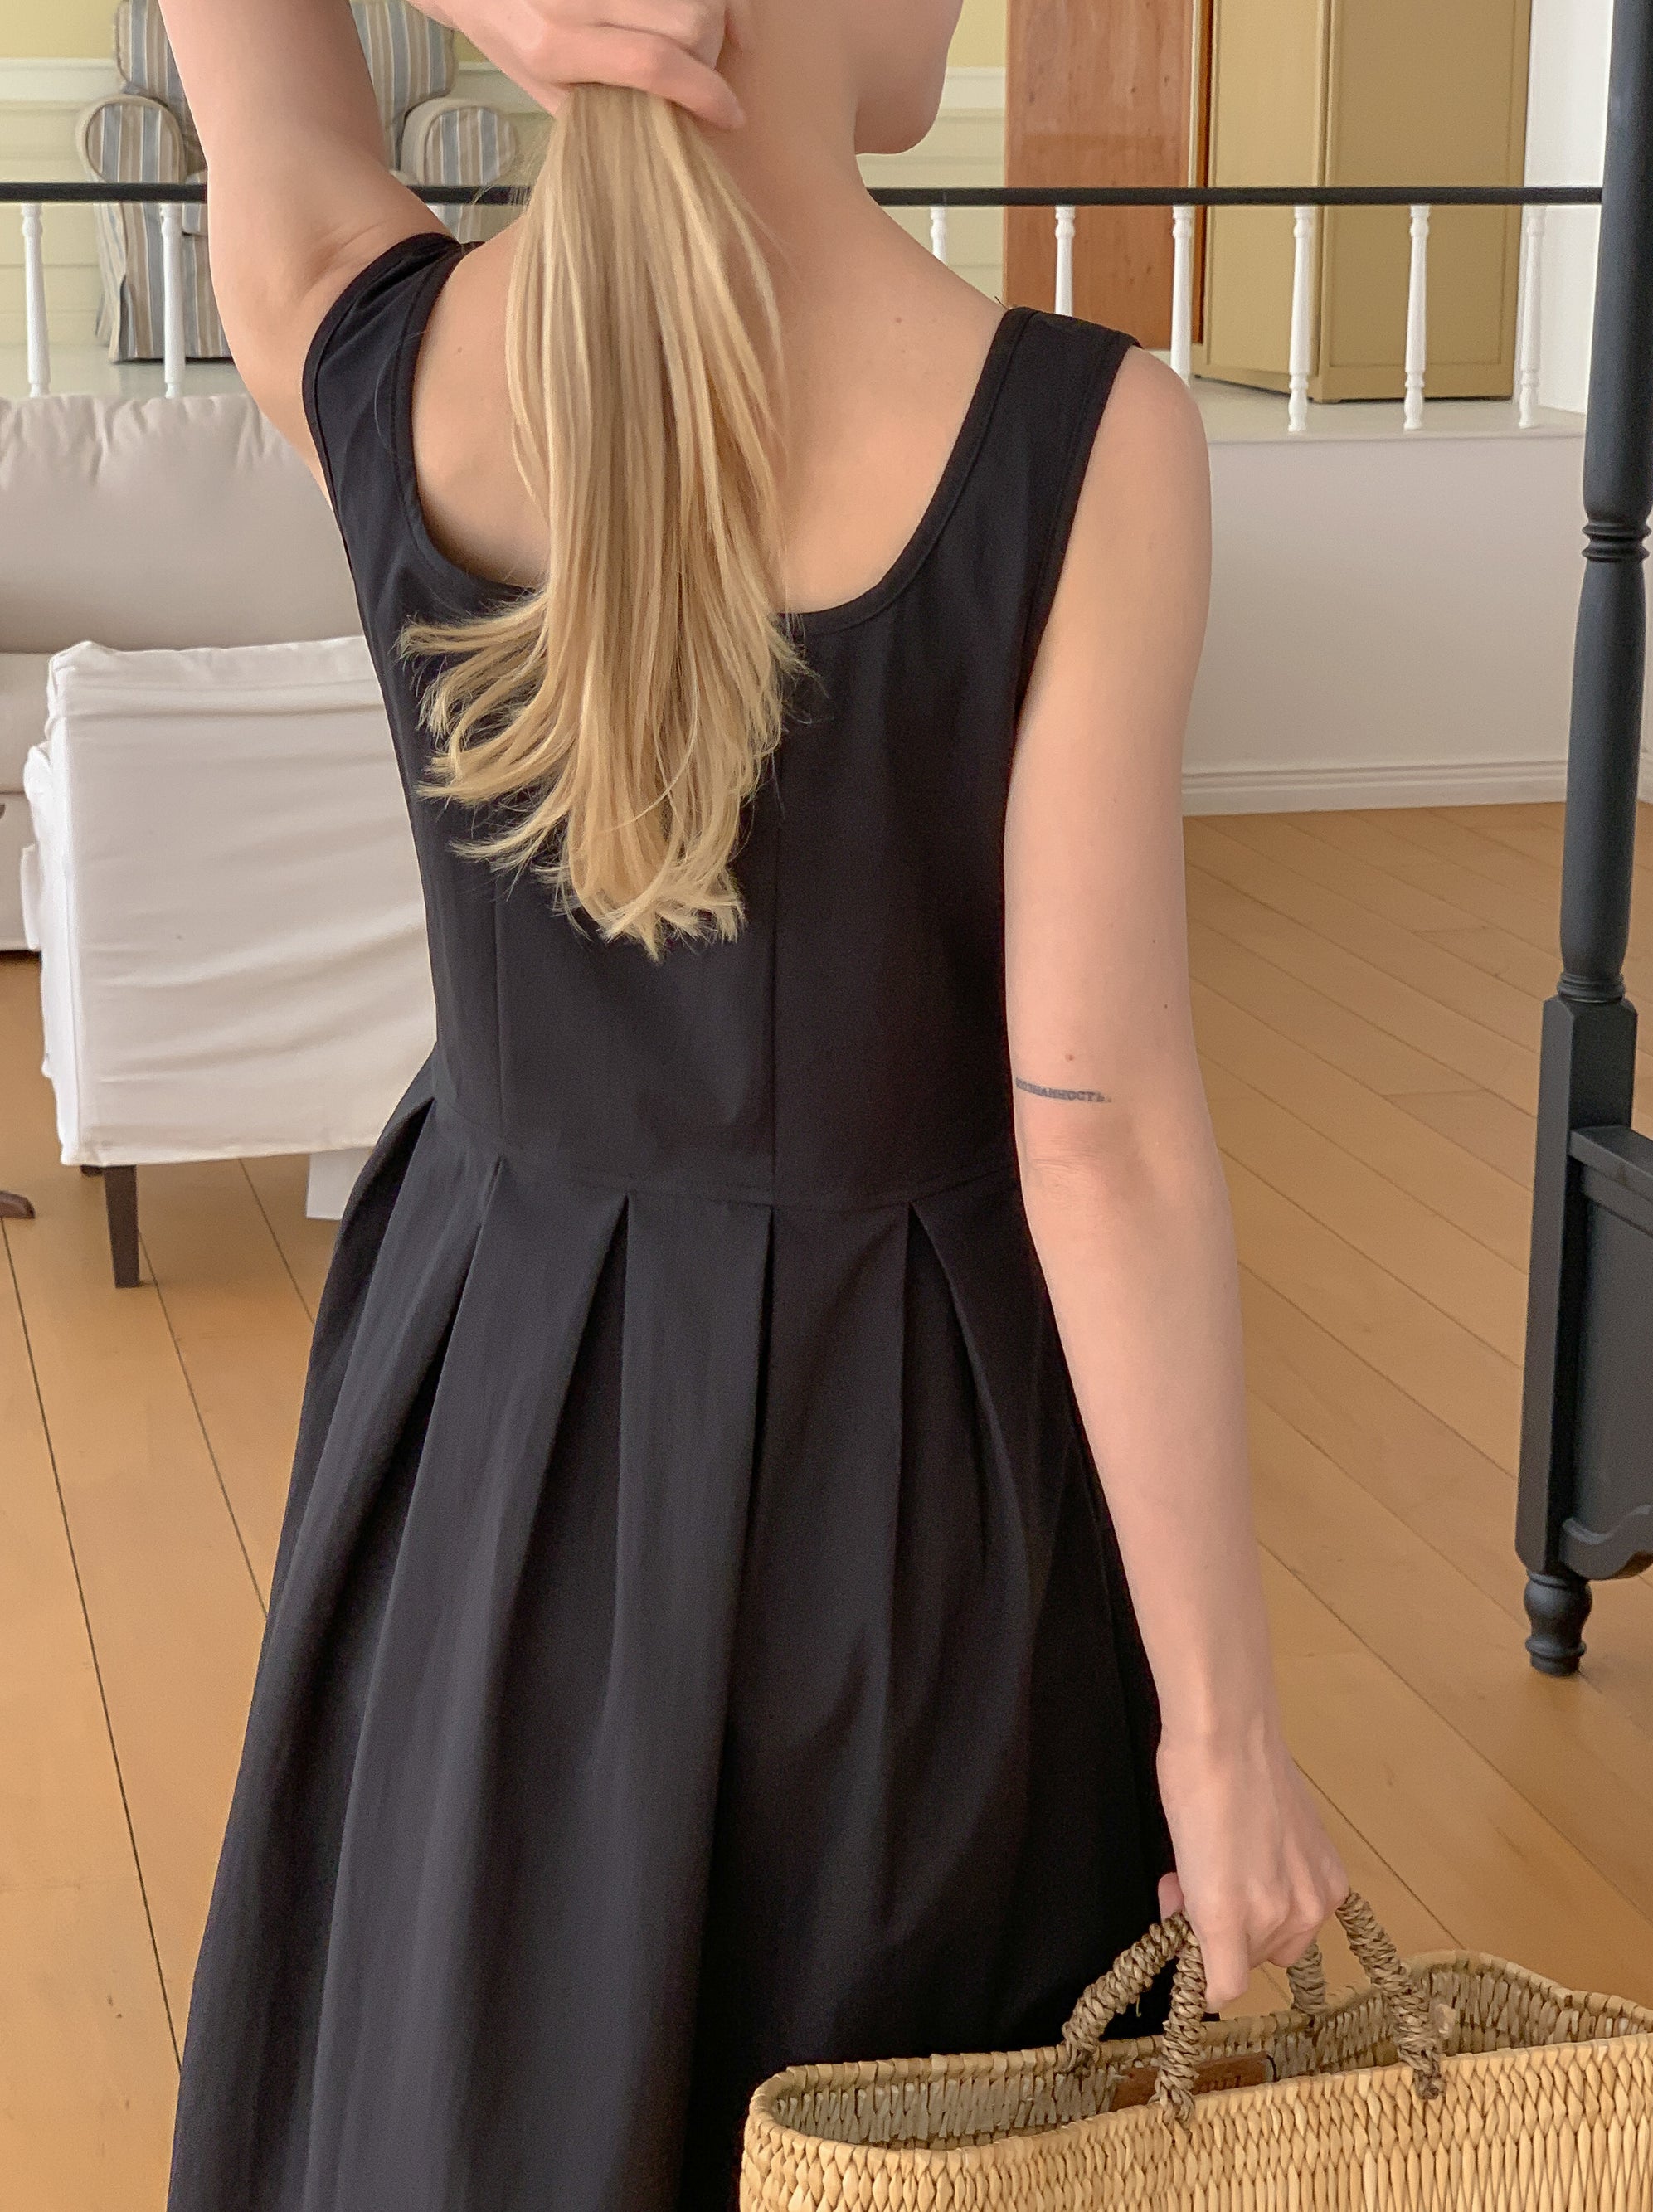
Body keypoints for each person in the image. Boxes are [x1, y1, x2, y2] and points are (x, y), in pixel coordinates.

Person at [155, 2, 1347, 2205]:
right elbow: (1096, 1141)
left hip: (490, 1458)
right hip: (911, 1521)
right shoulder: (1079, 438)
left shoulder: (379, 350)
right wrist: (1224, 1733)